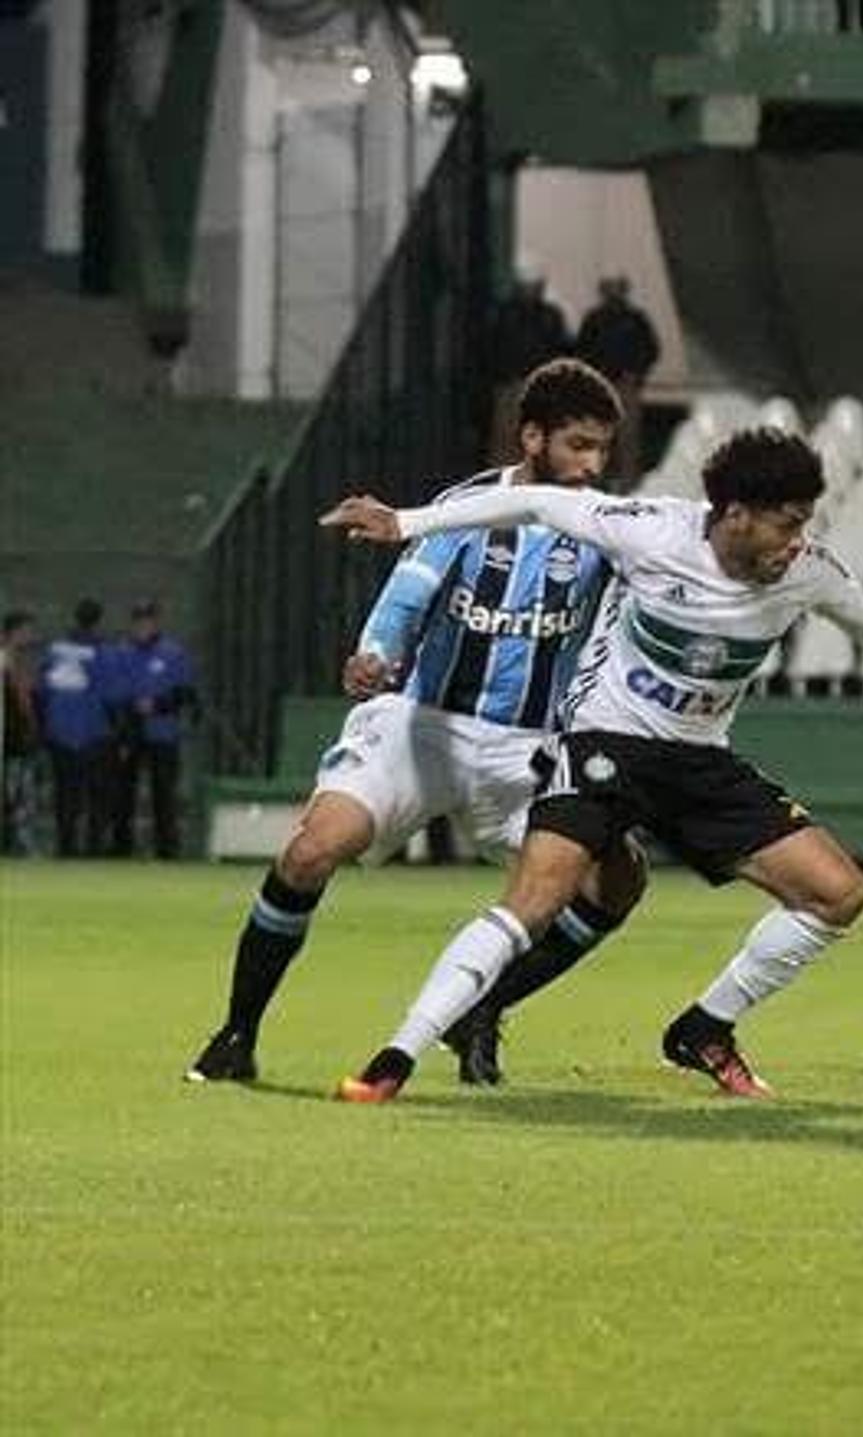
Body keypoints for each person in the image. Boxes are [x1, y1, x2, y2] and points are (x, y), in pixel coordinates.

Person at [318, 427, 863, 1102]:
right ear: (737, 514)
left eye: (805, 522)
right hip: (607, 744)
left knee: (838, 893)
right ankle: (396, 1056)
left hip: (697, 759)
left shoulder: (805, 573)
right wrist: (406, 524)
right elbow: (535, 500)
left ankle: (704, 1028)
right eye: (785, 522)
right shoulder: (653, 530)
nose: (796, 540)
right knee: (534, 903)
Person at [185, 359, 643, 1088]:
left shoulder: (608, 528)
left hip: (526, 747)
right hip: (422, 724)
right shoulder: (464, 510)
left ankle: (478, 1008)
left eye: (602, 450)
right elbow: (408, 595)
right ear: (533, 437)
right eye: (578, 445)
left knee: (618, 880)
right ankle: (237, 1033)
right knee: (312, 851)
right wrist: (375, 655)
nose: (592, 465)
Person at [108, 599, 195, 859]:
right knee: (123, 794)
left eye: (148, 620)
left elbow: (185, 693)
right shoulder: (121, 652)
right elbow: (114, 692)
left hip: (163, 732)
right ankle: (121, 849)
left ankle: (167, 850)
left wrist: (157, 704)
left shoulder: (173, 653)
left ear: (156, 623)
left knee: (164, 794)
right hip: (130, 731)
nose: (143, 626)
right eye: (139, 621)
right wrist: (132, 707)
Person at [37, 598, 116, 857]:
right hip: (94, 732)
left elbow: (43, 691)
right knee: (97, 797)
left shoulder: (54, 650)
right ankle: (93, 849)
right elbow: (111, 694)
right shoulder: (104, 652)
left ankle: (66, 848)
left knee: (66, 796)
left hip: (60, 733)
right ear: (98, 620)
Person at [574, 275, 661, 483]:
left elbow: (651, 349)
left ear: (624, 291)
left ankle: (628, 484)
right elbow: (581, 351)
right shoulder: (593, 319)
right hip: (600, 388)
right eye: (609, 289)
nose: (614, 293)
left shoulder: (636, 318)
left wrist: (636, 373)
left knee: (628, 438)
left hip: (626, 386)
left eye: (617, 289)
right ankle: (596, 483)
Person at [487, 266, 572, 464]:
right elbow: (492, 347)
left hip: (539, 387)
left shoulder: (551, 316)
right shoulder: (505, 314)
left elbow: (561, 351)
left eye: (535, 286)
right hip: (510, 383)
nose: (531, 291)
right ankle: (504, 480)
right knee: (505, 435)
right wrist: (502, 375)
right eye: (527, 287)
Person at [2, 611, 44, 855]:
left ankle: (18, 845)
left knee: (20, 797)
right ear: (12, 633)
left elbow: (27, 705)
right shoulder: (5, 662)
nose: (30, 636)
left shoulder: (22, 663)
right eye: (26, 631)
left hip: (21, 744)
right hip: (9, 744)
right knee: (13, 798)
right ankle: (16, 845)